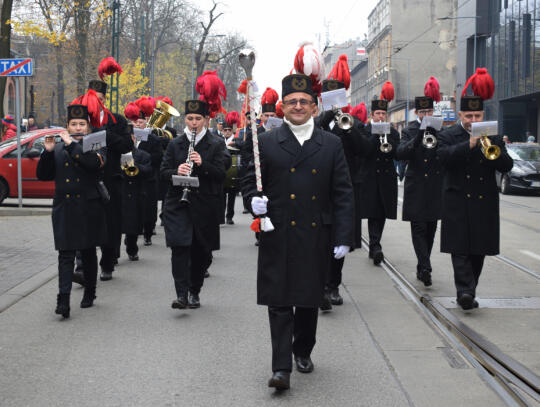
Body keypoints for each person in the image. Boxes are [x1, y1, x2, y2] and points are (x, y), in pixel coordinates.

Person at [242, 73, 354, 390]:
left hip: (315, 234)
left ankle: (302, 349)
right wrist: (254, 201)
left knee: (307, 300)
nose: (298, 106)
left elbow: (343, 192)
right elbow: (250, 182)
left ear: (315, 108)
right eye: (292, 101)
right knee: (279, 301)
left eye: (304, 101)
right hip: (277, 232)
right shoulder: (264, 141)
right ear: (282, 107)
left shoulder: (331, 144)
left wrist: (344, 237)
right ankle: (280, 369)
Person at [437, 68, 513, 310]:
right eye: (468, 116)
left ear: (483, 114)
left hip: (484, 202)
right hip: (457, 200)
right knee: (460, 250)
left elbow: (507, 165)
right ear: (460, 114)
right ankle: (464, 292)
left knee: (478, 250)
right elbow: (443, 158)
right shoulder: (449, 134)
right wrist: (469, 144)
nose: (473, 121)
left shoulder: (494, 136)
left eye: (477, 116)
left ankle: (470, 288)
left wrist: (493, 150)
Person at [36, 104, 107, 318]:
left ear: (88, 127)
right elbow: (44, 175)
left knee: (87, 251)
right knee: (65, 254)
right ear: (67, 126)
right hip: (64, 207)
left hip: (88, 206)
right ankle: (63, 299)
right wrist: (47, 154)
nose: (77, 128)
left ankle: (90, 292)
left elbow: (92, 164)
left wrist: (70, 145)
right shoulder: (58, 147)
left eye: (82, 124)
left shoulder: (97, 144)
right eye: (73, 124)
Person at [160, 99, 227, 309]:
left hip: (204, 204)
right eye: (190, 119)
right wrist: (175, 171)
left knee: (201, 253)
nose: (194, 123)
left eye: (198, 119)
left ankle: (194, 290)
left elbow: (221, 174)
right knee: (179, 248)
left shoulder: (216, 144)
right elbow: (162, 172)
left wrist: (203, 164)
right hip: (178, 204)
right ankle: (181, 294)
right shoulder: (175, 143)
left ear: (206, 120)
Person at [316, 54, 364, 310]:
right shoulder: (316, 123)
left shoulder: (351, 122)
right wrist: (325, 117)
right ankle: (321, 285)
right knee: (321, 240)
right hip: (319, 189)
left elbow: (362, 150)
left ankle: (333, 286)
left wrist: (349, 126)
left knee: (340, 239)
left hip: (345, 189)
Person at [396, 77, 444, 287]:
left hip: (434, 187)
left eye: (429, 112)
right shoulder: (409, 130)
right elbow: (400, 152)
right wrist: (418, 137)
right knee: (418, 228)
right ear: (417, 113)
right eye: (422, 113)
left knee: (431, 228)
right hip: (416, 187)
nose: (426, 116)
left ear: (433, 112)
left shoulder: (441, 131)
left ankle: (422, 264)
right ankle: (425, 267)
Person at [356, 85, 400, 265]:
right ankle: (375, 247)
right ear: (372, 115)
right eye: (378, 114)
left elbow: (396, 152)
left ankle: (375, 245)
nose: (381, 116)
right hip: (369, 178)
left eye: (383, 114)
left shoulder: (393, 132)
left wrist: (387, 137)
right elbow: (364, 151)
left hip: (387, 179)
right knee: (373, 212)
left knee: (381, 213)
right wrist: (376, 135)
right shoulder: (364, 131)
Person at [120, 125, 153, 261]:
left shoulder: (143, 155)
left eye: (130, 137)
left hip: (136, 193)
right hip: (120, 192)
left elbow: (148, 171)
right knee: (116, 227)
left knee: (133, 226)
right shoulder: (116, 154)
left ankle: (132, 248)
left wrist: (134, 165)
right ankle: (113, 256)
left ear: (134, 138)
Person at [222, 111, 241, 225]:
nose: (227, 132)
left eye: (229, 130)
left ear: (232, 130)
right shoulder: (219, 141)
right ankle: (221, 216)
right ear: (222, 131)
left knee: (232, 197)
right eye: (225, 130)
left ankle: (230, 216)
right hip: (223, 172)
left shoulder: (237, 140)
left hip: (234, 174)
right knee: (222, 197)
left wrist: (236, 144)